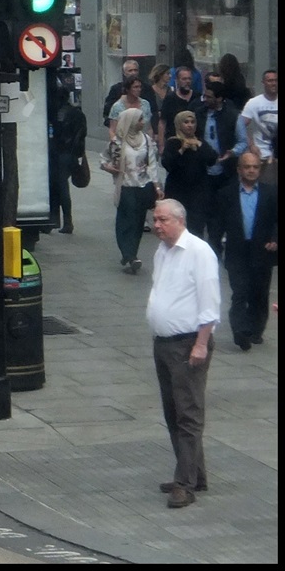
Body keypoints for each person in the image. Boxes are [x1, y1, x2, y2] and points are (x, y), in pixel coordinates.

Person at [146, 198, 220, 509]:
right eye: (155, 219)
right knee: (173, 411)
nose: (156, 225)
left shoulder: (199, 253)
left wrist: (201, 344)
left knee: (188, 414)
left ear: (179, 220)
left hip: (188, 342)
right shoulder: (162, 251)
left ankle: (185, 484)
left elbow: (209, 303)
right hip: (163, 342)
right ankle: (193, 473)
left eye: (162, 220)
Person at [214, 153, 278, 351]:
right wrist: (214, 249)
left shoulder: (270, 193)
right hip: (237, 250)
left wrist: (275, 239)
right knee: (240, 292)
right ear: (239, 169)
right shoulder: (227, 194)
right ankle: (240, 330)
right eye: (247, 167)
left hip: (262, 249)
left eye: (255, 167)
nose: (251, 170)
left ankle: (255, 329)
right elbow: (217, 224)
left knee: (259, 292)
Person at [102, 107, 162, 273]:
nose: (143, 123)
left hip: (142, 187)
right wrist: (109, 168)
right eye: (140, 119)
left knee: (137, 223)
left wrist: (156, 185)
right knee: (126, 221)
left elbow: (152, 164)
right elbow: (104, 160)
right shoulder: (118, 142)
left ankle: (132, 254)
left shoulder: (147, 140)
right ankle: (128, 254)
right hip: (126, 186)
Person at [196, 80, 247, 258]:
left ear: (219, 98)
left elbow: (243, 142)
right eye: (205, 95)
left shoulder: (233, 116)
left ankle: (218, 243)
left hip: (226, 172)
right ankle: (211, 246)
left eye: (209, 96)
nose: (205, 99)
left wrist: (231, 153)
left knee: (224, 209)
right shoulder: (199, 114)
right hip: (204, 171)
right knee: (207, 210)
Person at [162, 111, 217, 237]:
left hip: (198, 193)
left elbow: (212, 159)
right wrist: (181, 150)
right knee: (176, 228)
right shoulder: (173, 143)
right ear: (179, 124)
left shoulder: (200, 142)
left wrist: (200, 145)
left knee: (196, 229)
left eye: (192, 122)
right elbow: (168, 164)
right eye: (186, 122)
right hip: (177, 192)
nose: (190, 125)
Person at [50, 78, 87, 234]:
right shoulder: (77, 114)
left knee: (59, 186)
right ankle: (64, 220)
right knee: (61, 186)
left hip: (60, 154)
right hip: (70, 155)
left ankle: (62, 220)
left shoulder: (57, 114)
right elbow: (81, 136)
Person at [240, 68, 277, 188]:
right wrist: (251, 145)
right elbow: (240, 126)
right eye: (270, 80)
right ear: (263, 83)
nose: (273, 83)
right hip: (262, 155)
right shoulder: (254, 103)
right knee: (265, 188)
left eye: (276, 80)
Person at [157, 65, 202, 154]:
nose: (187, 82)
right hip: (174, 142)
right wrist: (161, 145)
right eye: (184, 79)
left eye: (189, 79)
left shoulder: (197, 97)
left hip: (194, 143)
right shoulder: (170, 98)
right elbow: (162, 122)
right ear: (177, 80)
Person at [107, 76, 152, 141]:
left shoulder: (145, 104)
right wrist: (116, 144)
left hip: (142, 142)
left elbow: (149, 127)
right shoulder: (117, 106)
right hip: (123, 142)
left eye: (140, 87)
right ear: (127, 89)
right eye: (135, 87)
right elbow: (112, 130)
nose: (139, 89)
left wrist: (150, 141)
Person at [102, 58, 141, 132]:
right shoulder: (116, 89)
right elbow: (107, 111)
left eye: (135, 70)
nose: (133, 73)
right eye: (130, 70)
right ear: (124, 73)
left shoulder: (146, 88)